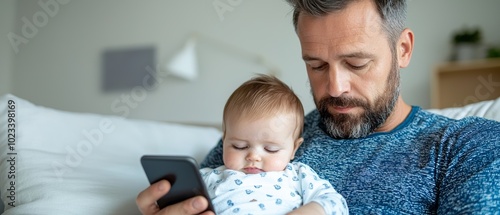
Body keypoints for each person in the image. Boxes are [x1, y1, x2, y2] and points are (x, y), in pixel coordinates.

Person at [137, 0, 500, 214]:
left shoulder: (466, 145)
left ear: (402, 50)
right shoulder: (261, 133)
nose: (335, 87)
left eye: (357, 64)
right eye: (316, 66)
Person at [199, 74, 348, 215]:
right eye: (239, 146)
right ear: (224, 140)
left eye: (271, 149)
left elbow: (335, 202)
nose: (253, 157)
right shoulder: (209, 177)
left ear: (293, 149)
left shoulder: (297, 176)